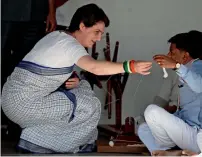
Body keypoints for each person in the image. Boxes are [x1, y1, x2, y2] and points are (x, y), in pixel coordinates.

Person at [1, 4, 152, 153]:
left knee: (82, 87)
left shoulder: (56, 35)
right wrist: (130, 66)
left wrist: (73, 79)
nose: (99, 38)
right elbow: (95, 68)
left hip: (9, 100)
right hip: (24, 106)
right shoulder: (71, 46)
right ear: (82, 26)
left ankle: (35, 138)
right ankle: (35, 141)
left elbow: (49, 67)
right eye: (96, 32)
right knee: (90, 105)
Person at [138, 30, 202, 156]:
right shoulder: (184, 71)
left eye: (172, 52)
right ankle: (173, 152)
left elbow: (200, 86)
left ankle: (170, 152)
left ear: (185, 56)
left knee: (151, 111)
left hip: (197, 136)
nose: (168, 55)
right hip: (186, 132)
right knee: (144, 129)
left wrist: (177, 66)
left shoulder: (198, 65)